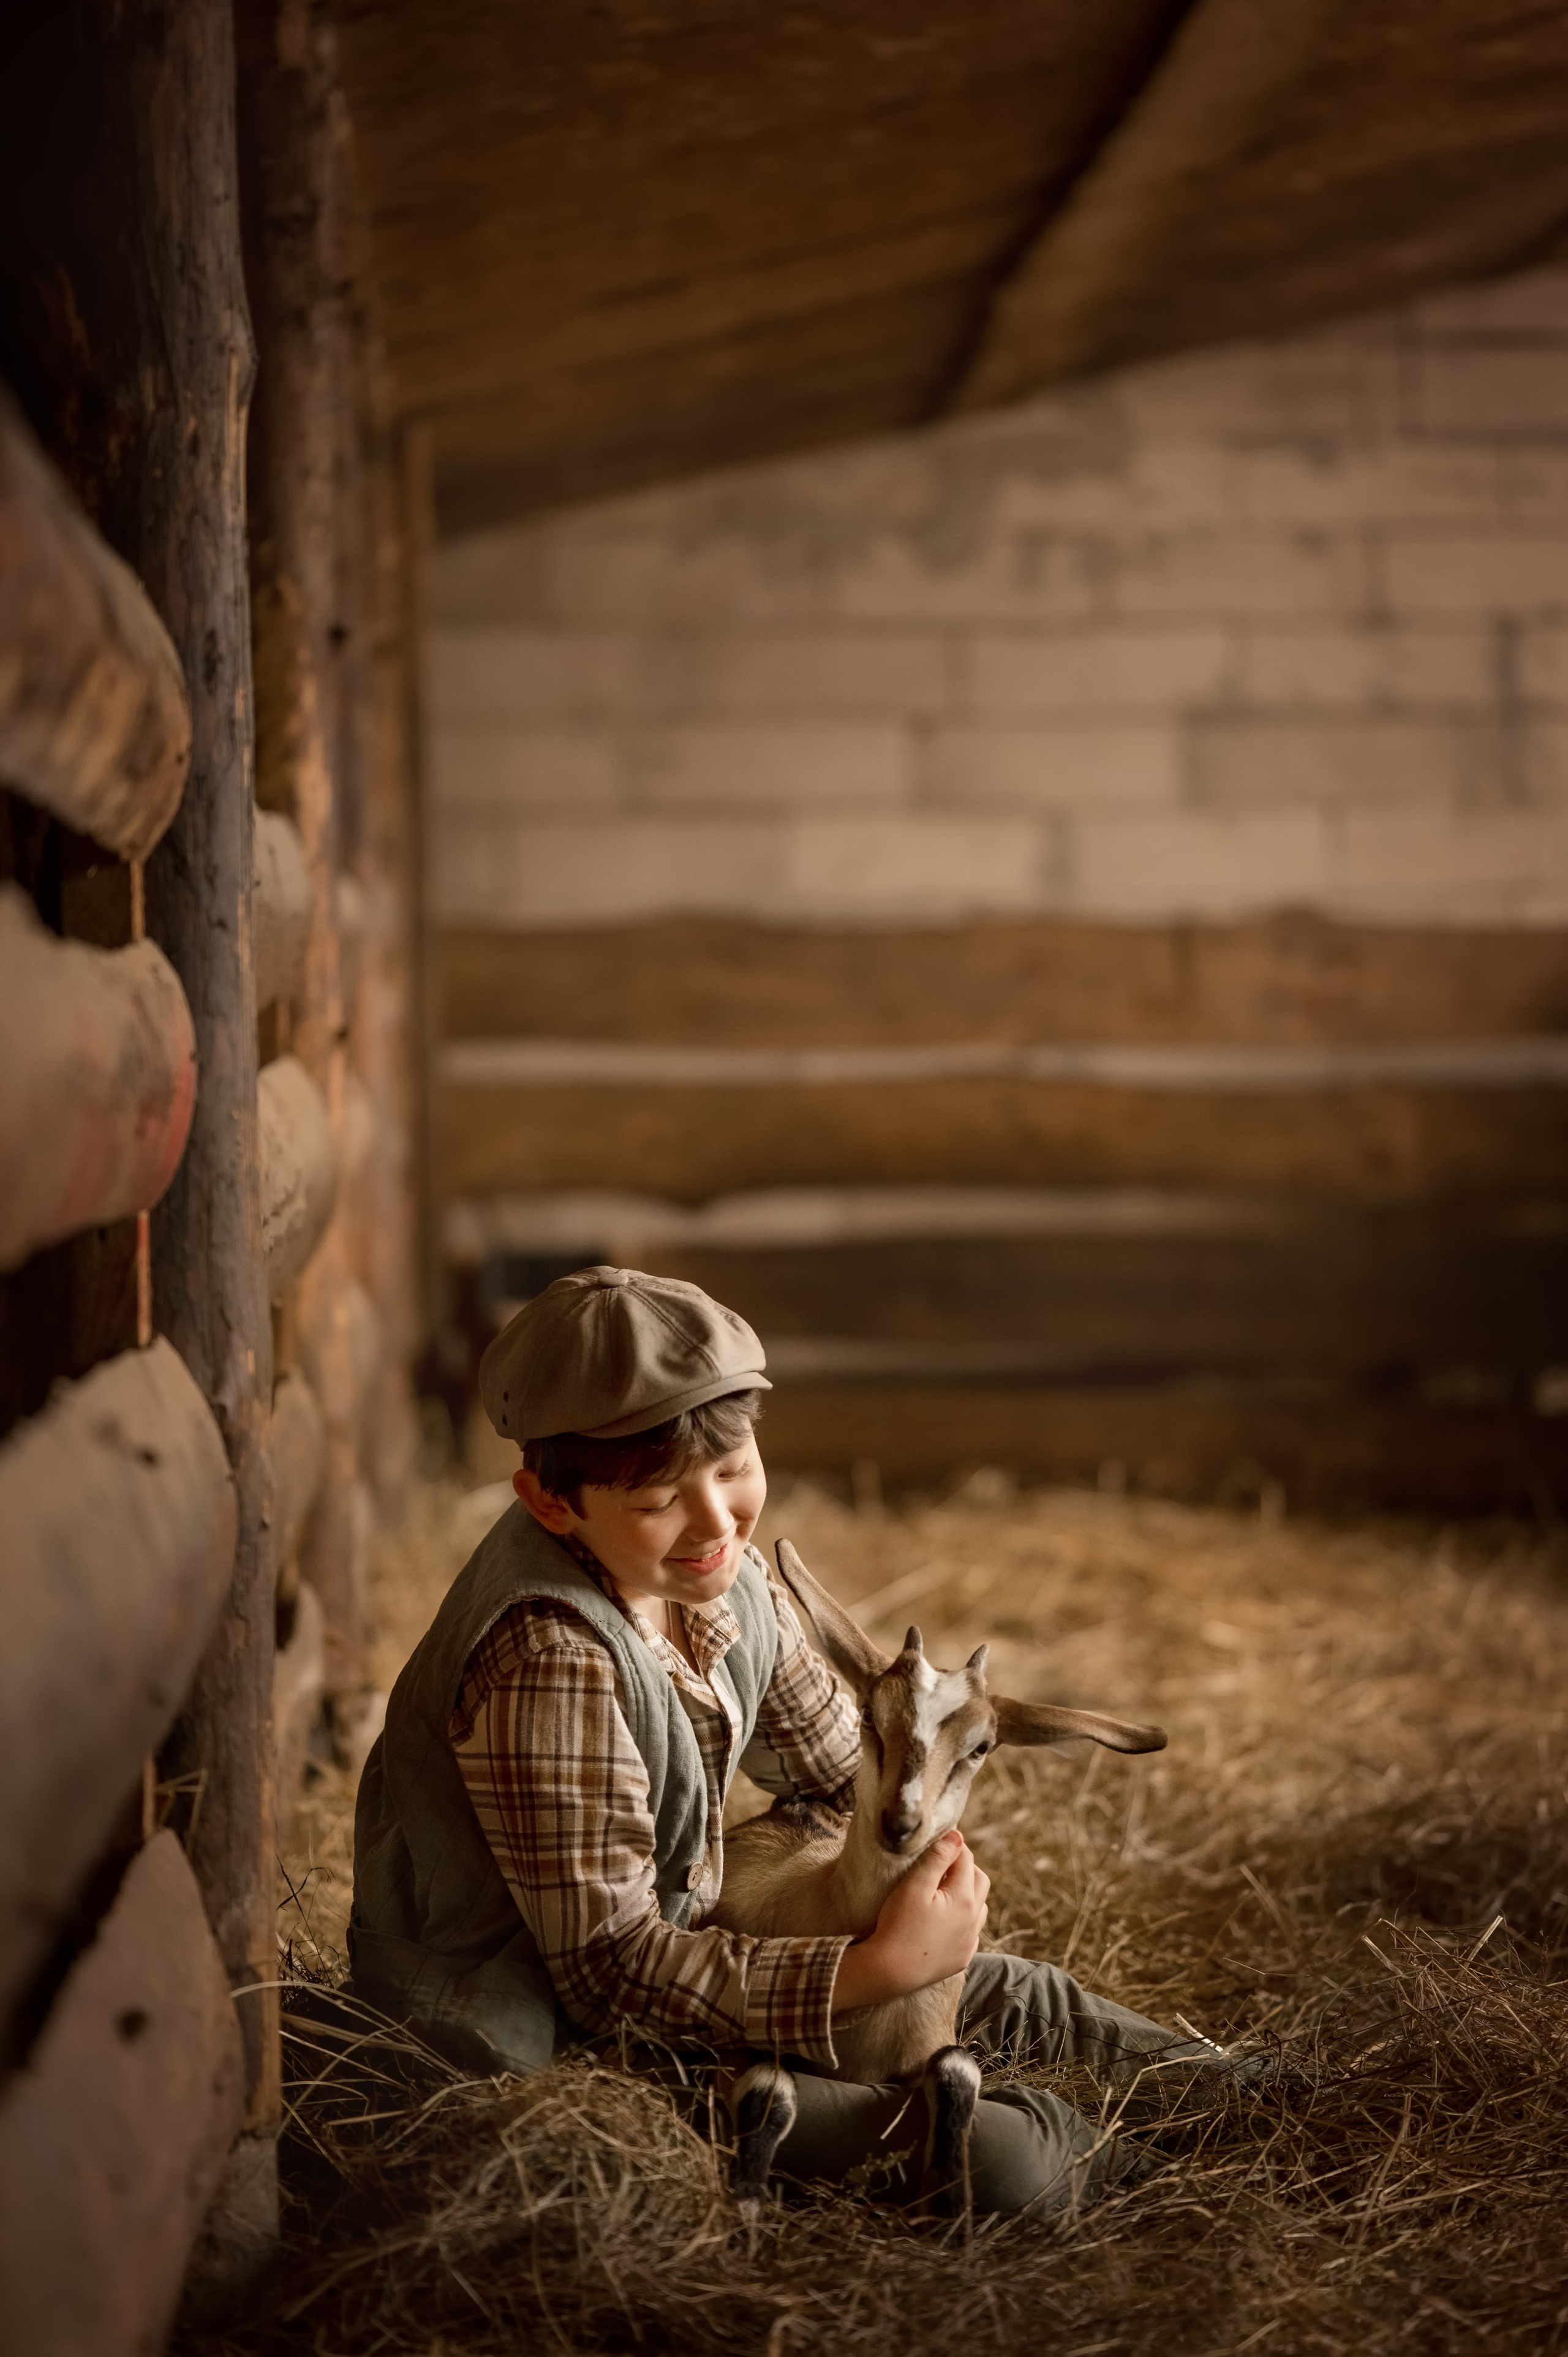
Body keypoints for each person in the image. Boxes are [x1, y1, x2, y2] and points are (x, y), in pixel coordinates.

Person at [351, 1266, 1251, 2214]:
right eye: (660, 1500)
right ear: (550, 1502)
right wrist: (873, 1969)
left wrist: (884, 1901)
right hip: (557, 2038)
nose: (716, 1521)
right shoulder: (551, 1658)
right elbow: (609, 1978)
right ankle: (1141, 2177)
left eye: (735, 1468)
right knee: (1001, 2162)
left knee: (1026, 1996)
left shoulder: (720, 1581)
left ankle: (1276, 2097)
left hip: (698, 1956)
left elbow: (836, 1776)